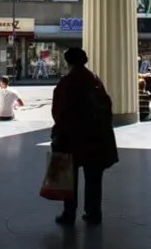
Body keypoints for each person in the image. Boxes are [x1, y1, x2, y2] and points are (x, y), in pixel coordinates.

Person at [51, 48, 118, 226]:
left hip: (71, 137)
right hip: (95, 137)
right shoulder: (95, 80)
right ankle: (93, 213)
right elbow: (107, 106)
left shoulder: (67, 82)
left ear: (68, 62)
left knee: (69, 177)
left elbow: (59, 111)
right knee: (94, 178)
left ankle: (69, 213)